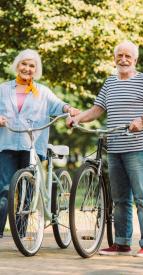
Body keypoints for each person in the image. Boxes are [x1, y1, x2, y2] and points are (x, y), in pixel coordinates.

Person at [68, 40, 143, 257]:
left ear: (135, 59)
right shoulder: (109, 83)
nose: (123, 59)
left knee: (141, 197)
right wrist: (76, 119)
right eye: (120, 55)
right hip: (114, 148)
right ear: (114, 58)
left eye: (128, 56)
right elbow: (96, 110)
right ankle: (122, 243)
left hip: (138, 148)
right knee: (120, 198)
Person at [0, 49, 79, 238]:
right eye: (24, 64)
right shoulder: (3, 89)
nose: (27, 68)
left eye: (32, 65)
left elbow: (60, 105)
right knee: (4, 188)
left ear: (36, 70)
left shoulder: (43, 92)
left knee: (27, 189)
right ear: (17, 66)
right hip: (7, 144)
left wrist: (70, 109)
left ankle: (21, 232)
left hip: (32, 147)